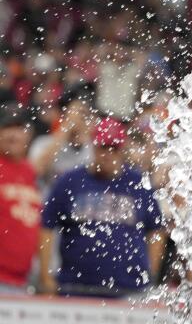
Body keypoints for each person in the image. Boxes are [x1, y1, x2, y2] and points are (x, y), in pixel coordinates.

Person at [39, 117, 165, 297]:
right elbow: (46, 224)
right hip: (75, 287)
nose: (107, 154)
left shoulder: (138, 183)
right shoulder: (70, 181)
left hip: (128, 289)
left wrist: (150, 273)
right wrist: (45, 276)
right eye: (103, 147)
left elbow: (156, 229)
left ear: (122, 150)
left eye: (113, 148)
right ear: (93, 146)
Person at [0, 103, 41, 293]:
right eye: (7, 128)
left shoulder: (29, 172)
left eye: (18, 129)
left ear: (28, 135)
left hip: (23, 281)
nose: (13, 135)